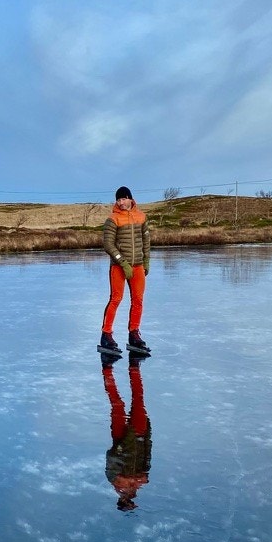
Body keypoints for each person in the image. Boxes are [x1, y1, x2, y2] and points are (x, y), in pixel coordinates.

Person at [100, 186, 150, 354]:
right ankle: (106, 335)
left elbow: (146, 241)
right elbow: (108, 245)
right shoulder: (113, 219)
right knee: (116, 299)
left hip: (138, 265)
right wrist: (123, 262)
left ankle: (134, 334)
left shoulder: (141, 217)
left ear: (130, 199)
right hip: (118, 266)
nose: (121, 202)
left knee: (138, 300)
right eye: (118, 200)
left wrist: (146, 261)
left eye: (123, 199)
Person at [102, 355, 152, 511]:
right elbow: (147, 460)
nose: (131, 499)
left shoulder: (114, 480)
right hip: (139, 436)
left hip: (122, 437)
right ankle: (134, 366)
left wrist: (128, 477)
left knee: (118, 404)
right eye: (131, 502)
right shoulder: (137, 485)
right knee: (138, 399)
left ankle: (107, 368)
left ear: (122, 500)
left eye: (128, 502)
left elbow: (110, 457)